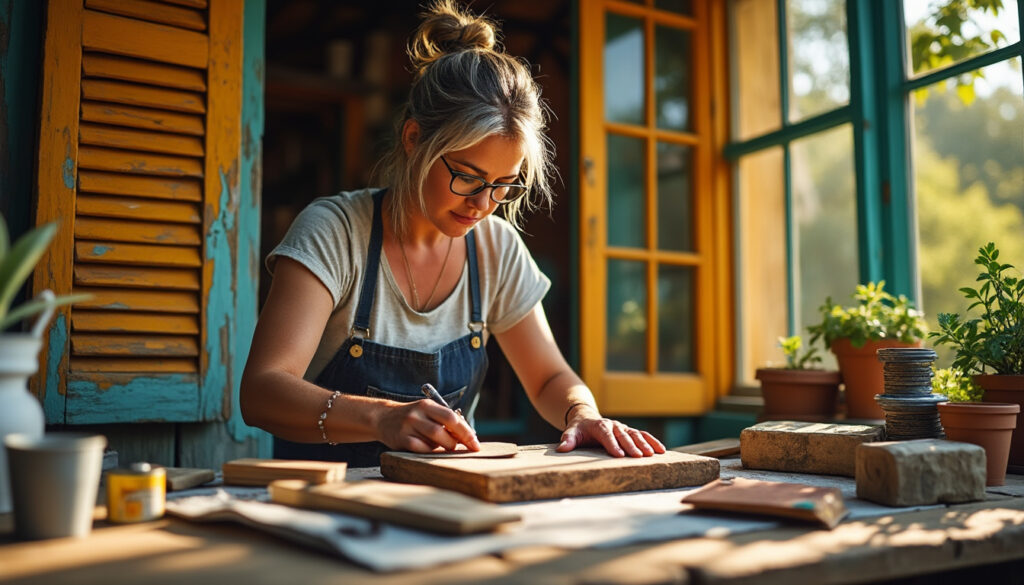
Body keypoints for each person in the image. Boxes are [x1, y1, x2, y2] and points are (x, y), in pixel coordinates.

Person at [240, 0, 666, 467]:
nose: (483, 204)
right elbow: (262, 392)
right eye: (467, 177)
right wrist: (382, 418)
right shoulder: (335, 233)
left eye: (504, 185)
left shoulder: (495, 249)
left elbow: (548, 378)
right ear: (413, 140)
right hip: (322, 496)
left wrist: (582, 414)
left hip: (445, 497)